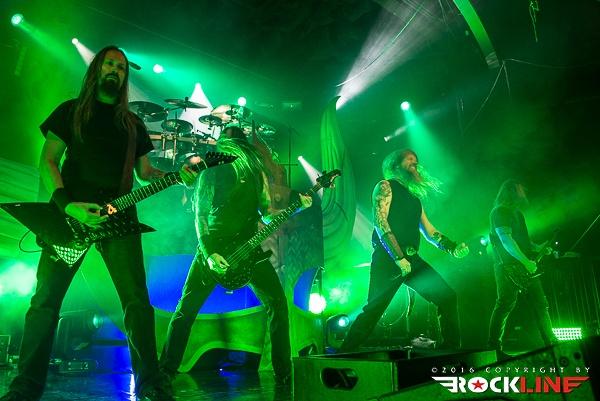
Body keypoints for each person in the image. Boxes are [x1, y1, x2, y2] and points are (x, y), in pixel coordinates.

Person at [0, 45, 197, 401]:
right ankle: (24, 388)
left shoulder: (133, 125)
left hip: (118, 217)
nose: (115, 71)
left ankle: (151, 384)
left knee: (137, 302)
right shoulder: (70, 111)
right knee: (45, 302)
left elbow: (145, 173)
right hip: (69, 218)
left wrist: (178, 175)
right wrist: (68, 206)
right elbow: (48, 161)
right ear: (96, 70)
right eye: (109, 64)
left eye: (121, 68)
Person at [159, 132, 312, 386]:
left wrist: (296, 207)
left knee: (278, 304)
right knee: (186, 310)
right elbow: (200, 215)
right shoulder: (211, 171)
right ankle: (165, 371)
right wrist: (209, 253)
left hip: (249, 249)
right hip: (214, 248)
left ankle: (284, 373)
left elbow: (267, 214)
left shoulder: (256, 174)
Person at [339, 149, 469, 352]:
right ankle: (345, 352)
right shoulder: (385, 186)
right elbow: (380, 223)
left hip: (411, 259)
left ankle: (451, 349)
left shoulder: (415, 197)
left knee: (447, 297)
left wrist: (452, 247)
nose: (414, 161)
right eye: (409, 158)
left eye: (416, 159)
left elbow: (430, 231)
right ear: (395, 165)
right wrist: (398, 257)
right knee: (374, 310)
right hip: (388, 260)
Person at [487, 179, 556, 352]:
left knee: (541, 304)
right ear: (510, 191)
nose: (524, 192)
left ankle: (552, 343)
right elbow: (506, 240)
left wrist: (539, 248)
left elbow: (523, 241)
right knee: (505, 304)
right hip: (507, 267)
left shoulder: (517, 213)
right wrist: (526, 262)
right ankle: (494, 348)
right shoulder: (500, 211)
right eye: (520, 189)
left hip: (525, 266)